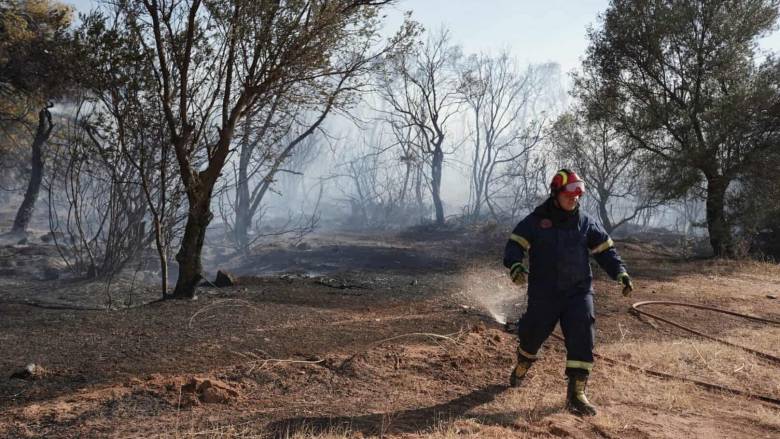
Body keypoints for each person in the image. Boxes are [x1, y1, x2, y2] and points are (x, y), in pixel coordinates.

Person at [502, 169, 633, 416]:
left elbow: (606, 251)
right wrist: (516, 265)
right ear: (556, 194)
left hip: (578, 292)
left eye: (578, 195)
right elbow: (514, 245)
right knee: (532, 334)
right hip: (545, 293)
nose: (575, 199)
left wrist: (620, 273)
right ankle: (522, 362)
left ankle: (576, 394)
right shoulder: (536, 220)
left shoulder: (586, 222)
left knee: (583, 336)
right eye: (570, 195)